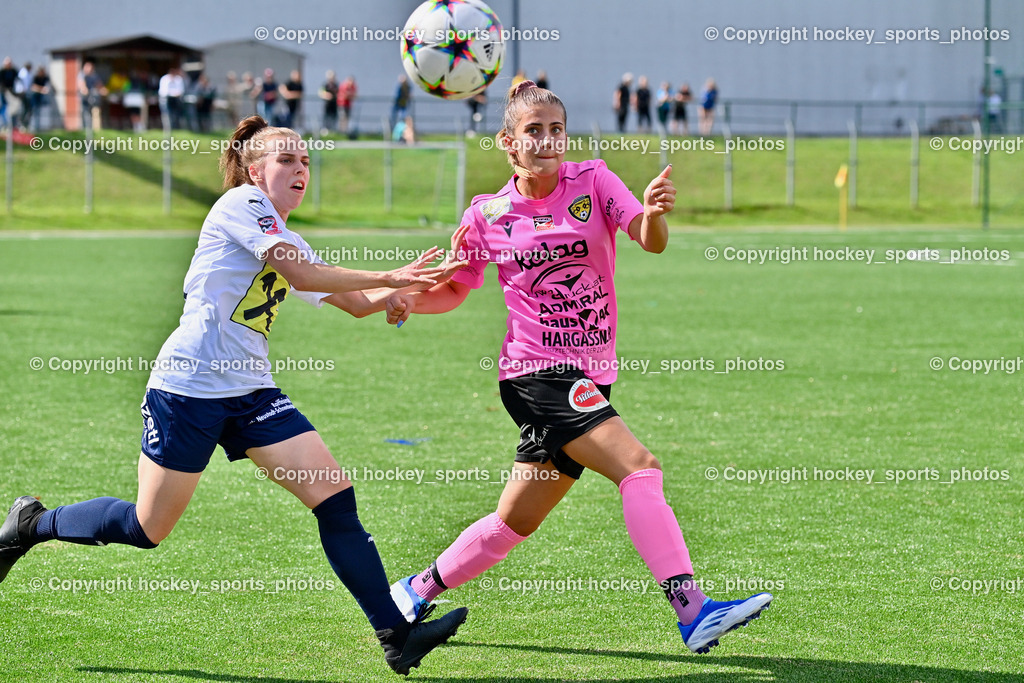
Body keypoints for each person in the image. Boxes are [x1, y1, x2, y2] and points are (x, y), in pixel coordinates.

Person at [0, 115, 470, 676]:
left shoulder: (288, 234)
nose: (301, 170)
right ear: (254, 170)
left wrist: (410, 288)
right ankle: (32, 525)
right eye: (288, 160)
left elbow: (351, 300)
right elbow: (300, 273)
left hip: (251, 393)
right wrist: (387, 278)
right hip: (189, 387)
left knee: (335, 499)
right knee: (146, 529)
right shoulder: (240, 206)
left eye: (306, 162)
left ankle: (396, 635)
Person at [384, 81, 772, 654]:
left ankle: (411, 594)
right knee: (639, 468)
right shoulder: (486, 214)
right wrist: (409, 301)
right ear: (508, 143)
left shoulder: (593, 181)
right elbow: (456, 287)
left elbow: (649, 238)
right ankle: (691, 611)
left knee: (513, 523)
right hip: (535, 374)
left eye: (555, 129)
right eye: (533, 130)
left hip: (590, 376)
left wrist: (657, 213)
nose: (547, 140)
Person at [79, 60, 108, 131]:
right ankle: (86, 129)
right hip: (85, 99)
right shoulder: (81, 75)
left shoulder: (94, 76)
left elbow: (99, 85)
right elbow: (82, 86)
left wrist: (103, 90)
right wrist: (85, 90)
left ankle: (96, 130)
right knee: (86, 114)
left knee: (96, 113)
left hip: (94, 98)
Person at [158, 66, 185, 130]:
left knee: (176, 114)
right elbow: (163, 91)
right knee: (166, 114)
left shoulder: (178, 79)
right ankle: (167, 128)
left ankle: (176, 128)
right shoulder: (164, 79)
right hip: (166, 100)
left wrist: (176, 93)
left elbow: (181, 90)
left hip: (176, 100)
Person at [28, 65, 51, 132]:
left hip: (41, 97)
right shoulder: (35, 77)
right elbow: (33, 87)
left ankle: (38, 127)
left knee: (39, 112)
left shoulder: (45, 77)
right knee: (34, 112)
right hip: (34, 97)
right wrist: (42, 89)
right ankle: (33, 127)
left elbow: (50, 84)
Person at [319, 70, 339, 135]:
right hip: (327, 104)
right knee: (326, 117)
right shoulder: (325, 85)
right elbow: (321, 93)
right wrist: (327, 95)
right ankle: (325, 129)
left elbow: (339, 93)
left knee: (334, 117)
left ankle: (333, 130)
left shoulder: (336, 85)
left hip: (334, 104)